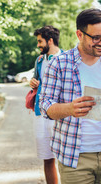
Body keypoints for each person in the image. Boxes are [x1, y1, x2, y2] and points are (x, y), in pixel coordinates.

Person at [40, 8, 101, 183]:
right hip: (74, 156)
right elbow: (45, 106)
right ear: (79, 34)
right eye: (96, 38)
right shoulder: (58, 64)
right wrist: (70, 108)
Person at [29, 25, 62, 184]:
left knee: (64, 158)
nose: (38, 45)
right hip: (40, 114)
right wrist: (33, 82)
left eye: (40, 41)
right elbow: (36, 82)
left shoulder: (66, 58)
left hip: (61, 115)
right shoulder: (40, 60)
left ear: (50, 40)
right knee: (47, 158)